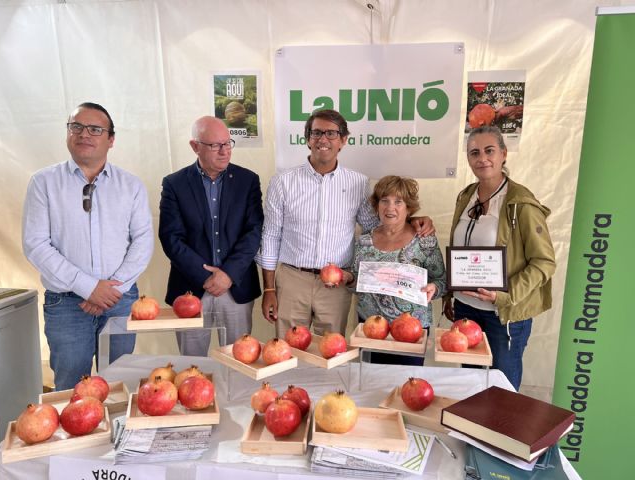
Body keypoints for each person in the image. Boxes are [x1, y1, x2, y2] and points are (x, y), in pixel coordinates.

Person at [256, 109, 433, 338]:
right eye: (316, 132)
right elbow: (270, 236)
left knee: (332, 352)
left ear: (343, 140)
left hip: (337, 284)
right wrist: (269, 289)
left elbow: (376, 227)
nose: (323, 139)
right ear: (307, 139)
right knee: (287, 351)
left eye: (331, 133)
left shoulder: (358, 183)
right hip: (292, 281)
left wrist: (412, 221)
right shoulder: (283, 183)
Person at [22, 102, 154, 390]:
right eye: (76, 127)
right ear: (68, 133)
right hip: (67, 303)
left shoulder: (130, 185)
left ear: (111, 140)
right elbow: (36, 244)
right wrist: (89, 287)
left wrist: (111, 289)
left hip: (119, 300)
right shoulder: (43, 182)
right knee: (71, 390)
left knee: (120, 386)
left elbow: (143, 241)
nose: (84, 134)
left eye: (95, 129)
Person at [443, 125, 555, 390]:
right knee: (470, 384)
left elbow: (544, 262)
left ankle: (500, 432)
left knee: (501, 387)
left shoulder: (521, 203)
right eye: (474, 153)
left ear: (503, 154)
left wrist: (503, 295)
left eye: (489, 151)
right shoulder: (466, 196)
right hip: (466, 309)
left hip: (502, 313)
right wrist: (451, 294)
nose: (482, 158)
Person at [159, 116, 263, 355]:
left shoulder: (248, 181)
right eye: (215, 145)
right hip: (191, 289)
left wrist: (228, 274)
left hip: (236, 286)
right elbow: (170, 237)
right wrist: (206, 276)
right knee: (193, 367)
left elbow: (254, 231)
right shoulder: (175, 184)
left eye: (227, 143)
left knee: (240, 362)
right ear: (195, 146)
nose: (224, 151)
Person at [350, 176, 446, 365]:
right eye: (384, 201)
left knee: (409, 384)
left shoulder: (424, 240)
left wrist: (434, 287)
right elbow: (355, 284)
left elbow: (442, 280)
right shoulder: (364, 241)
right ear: (377, 206)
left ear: (408, 208)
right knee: (370, 383)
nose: (390, 207)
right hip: (370, 328)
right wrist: (347, 279)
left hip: (412, 331)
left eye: (398, 202)